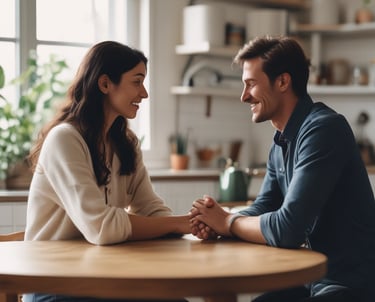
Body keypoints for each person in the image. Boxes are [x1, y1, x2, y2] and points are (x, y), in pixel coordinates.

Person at [190, 36, 375, 302]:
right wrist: (216, 220)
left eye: (251, 84)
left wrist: (228, 222)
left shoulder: (324, 129)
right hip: (312, 282)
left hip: (348, 286)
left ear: (283, 81)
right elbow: (264, 206)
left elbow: (288, 229)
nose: (244, 96)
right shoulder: (281, 142)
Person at [24, 41, 190, 302]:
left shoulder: (126, 144)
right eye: (137, 81)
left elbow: (150, 208)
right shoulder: (65, 139)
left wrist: (193, 222)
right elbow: (101, 228)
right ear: (104, 84)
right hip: (56, 285)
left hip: (102, 276)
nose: (144, 93)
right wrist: (178, 223)